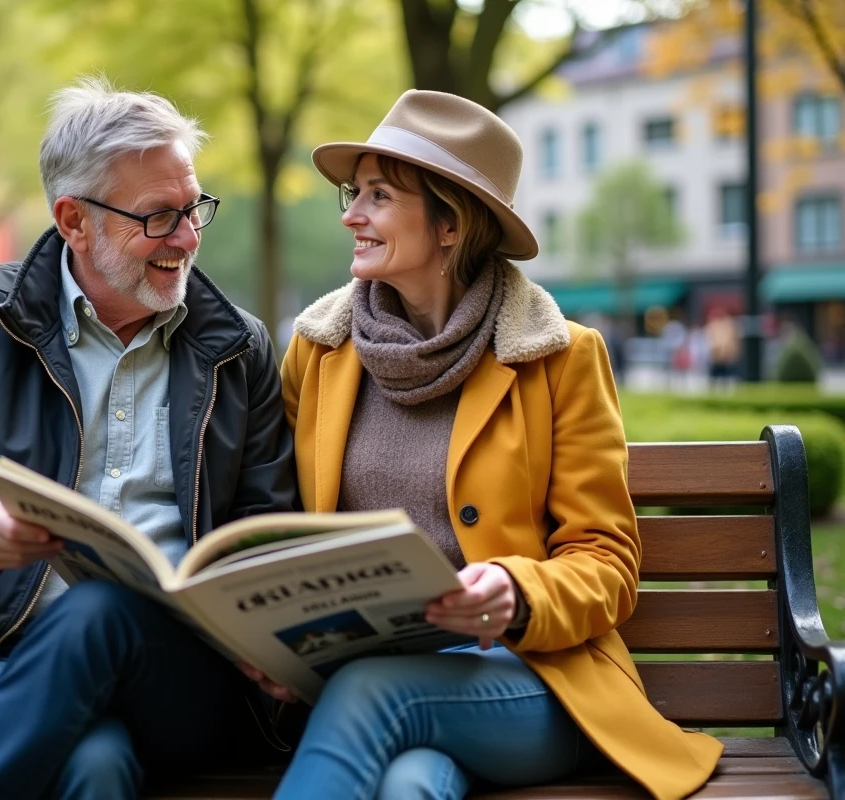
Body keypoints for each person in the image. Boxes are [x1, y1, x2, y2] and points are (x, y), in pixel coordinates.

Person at [0, 78, 298, 798]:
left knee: (100, 610)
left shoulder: (237, 347)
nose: (188, 237)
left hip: (178, 672)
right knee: (93, 765)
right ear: (74, 220)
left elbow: (265, 526)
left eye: (194, 207)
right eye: (159, 216)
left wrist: (270, 626)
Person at [245, 90, 722, 800]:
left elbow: (608, 561)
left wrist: (516, 593)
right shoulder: (320, 354)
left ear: (449, 223)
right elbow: (285, 532)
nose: (350, 215)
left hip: (532, 680)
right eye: (354, 193)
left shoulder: (561, 357)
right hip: (376, 678)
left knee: (372, 691)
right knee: (411, 785)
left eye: (378, 196)